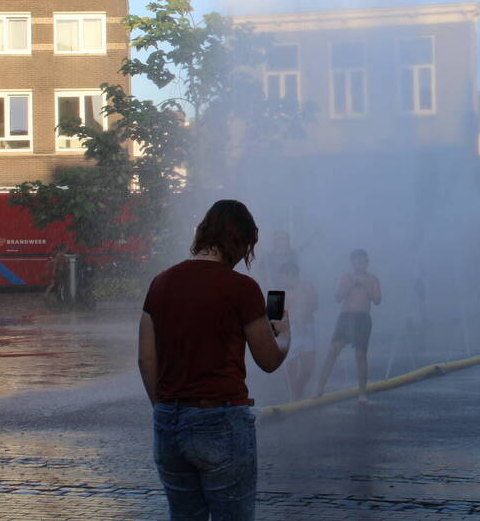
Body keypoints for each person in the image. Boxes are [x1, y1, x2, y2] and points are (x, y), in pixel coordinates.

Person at [138, 199, 290, 521]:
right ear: (240, 241)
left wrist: (167, 409)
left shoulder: (161, 283)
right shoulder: (242, 289)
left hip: (168, 421)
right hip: (220, 421)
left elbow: (146, 359)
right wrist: (285, 337)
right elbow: (268, 359)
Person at [315, 249, 382, 404]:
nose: (360, 263)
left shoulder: (372, 279)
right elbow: (338, 298)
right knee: (333, 350)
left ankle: (362, 393)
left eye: (362, 260)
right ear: (352, 263)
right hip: (346, 318)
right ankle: (319, 389)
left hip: (362, 319)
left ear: (367, 262)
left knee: (360, 354)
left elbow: (377, 300)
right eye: (356, 261)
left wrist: (366, 285)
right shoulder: (347, 277)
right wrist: (351, 284)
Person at [277, 261, 318, 401]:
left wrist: (302, 315)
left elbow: (314, 305)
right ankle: (293, 396)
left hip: (307, 327)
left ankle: (297, 391)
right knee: (290, 364)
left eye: (283, 277)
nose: (281, 280)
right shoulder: (282, 292)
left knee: (309, 366)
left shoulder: (307, 286)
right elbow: (277, 315)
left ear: (292, 275)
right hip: (290, 330)